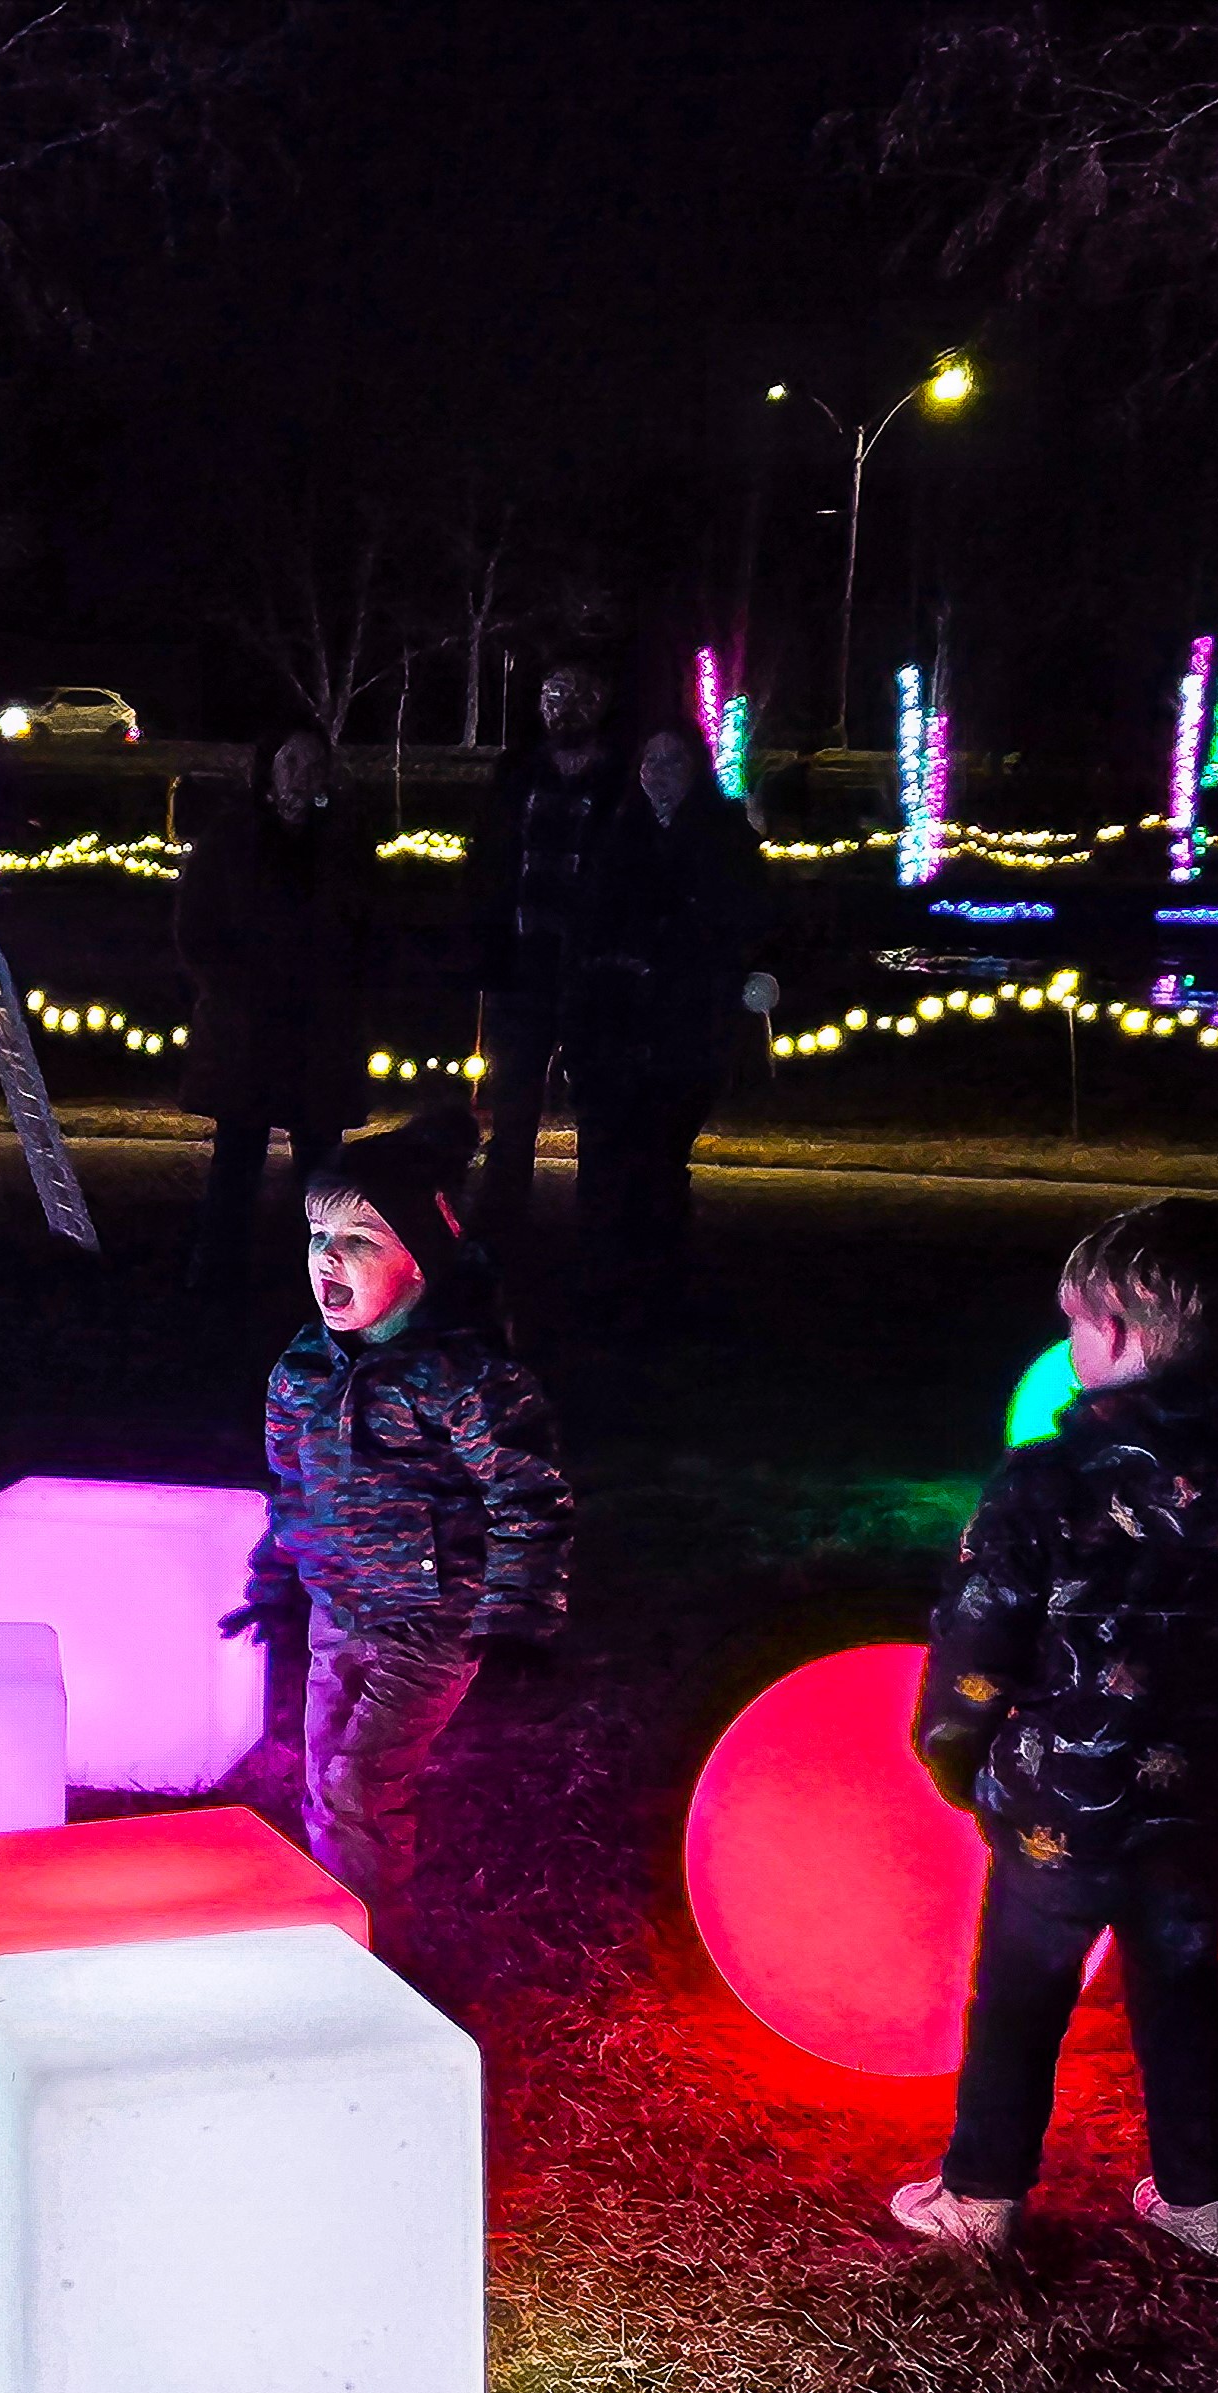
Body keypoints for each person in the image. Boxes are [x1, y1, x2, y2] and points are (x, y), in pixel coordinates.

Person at [896, 1199, 1218, 2262]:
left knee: (1022, 1996)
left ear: (1120, 1338)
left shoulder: (1043, 1483)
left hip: (1060, 1809)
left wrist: (950, 1750)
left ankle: (982, 2198)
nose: (1070, 1346)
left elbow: (979, 1645)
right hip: (1198, 1809)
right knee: (1181, 1988)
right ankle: (1201, 2200)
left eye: (1077, 1324)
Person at [222, 1115, 571, 1952]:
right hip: (337, 1611)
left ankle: (376, 1958)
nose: (328, 1257)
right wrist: (277, 1579)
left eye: (361, 1238)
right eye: (318, 1236)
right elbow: (293, 1485)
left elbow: (528, 1497)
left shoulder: (463, 1376)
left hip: (431, 1621)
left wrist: (517, 1620)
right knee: (322, 1776)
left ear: (420, 1254)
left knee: (360, 1784)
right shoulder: (300, 1372)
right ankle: (339, 1930)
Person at [560, 728, 766, 1322]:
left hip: (683, 1022)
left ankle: (659, 1283)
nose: (661, 770)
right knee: (604, 1153)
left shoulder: (722, 835)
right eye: (651, 758)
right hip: (612, 1021)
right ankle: (601, 1281)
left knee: (661, 1156)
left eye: (674, 759)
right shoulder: (613, 831)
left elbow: (740, 920)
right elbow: (586, 924)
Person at [174, 727, 374, 1298]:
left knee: (319, 1166)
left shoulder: (344, 840)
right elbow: (198, 928)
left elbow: (369, 925)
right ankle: (217, 1274)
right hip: (249, 1027)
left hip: (320, 1030)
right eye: (291, 763)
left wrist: (348, 990)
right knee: (237, 1155)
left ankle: (316, 1280)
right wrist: (233, 991)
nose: (303, 777)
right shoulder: (232, 837)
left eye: (315, 764)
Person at [470, 663, 619, 1242]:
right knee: (513, 1108)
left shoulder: (616, 776)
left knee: (597, 1107)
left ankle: (597, 1232)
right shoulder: (518, 770)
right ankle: (500, 1231)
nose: (566, 708)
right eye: (554, 695)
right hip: (522, 960)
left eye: (580, 695)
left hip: (590, 968)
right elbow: (489, 860)